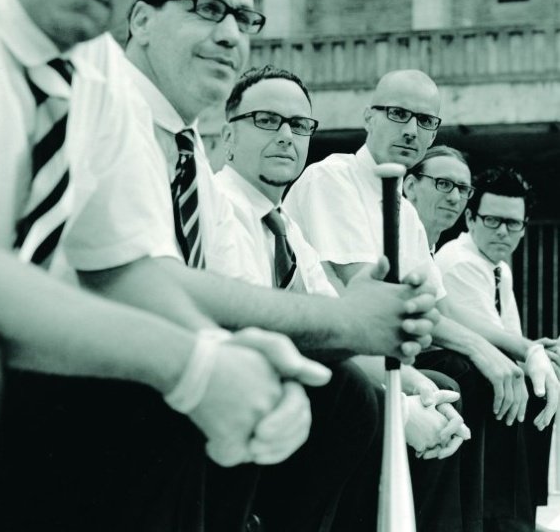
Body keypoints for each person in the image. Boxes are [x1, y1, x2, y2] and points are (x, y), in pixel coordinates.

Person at [0, 0, 336, 530]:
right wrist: (190, 365)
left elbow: (121, 268)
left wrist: (219, 352)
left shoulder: (99, 74)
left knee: (163, 397)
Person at [122, 0, 438, 530]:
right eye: (207, 8)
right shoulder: (132, 127)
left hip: (196, 356)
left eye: (244, 19)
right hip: (126, 365)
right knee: (342, 392)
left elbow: (320, 308)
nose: (229, 34)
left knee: (367, 390)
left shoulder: (218, 180)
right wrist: (353, 327)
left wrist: (407, 384)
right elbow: (187, 295)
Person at [284, 69, 559, 532]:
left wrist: (520, 351)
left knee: (515, 382)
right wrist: (481, 351)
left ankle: (499, 524)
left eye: (426, 121)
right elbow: (370, 296)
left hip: (386, 352)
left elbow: (441, 309)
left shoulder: (405, 211)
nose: (412, 130)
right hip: (342, 351)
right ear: (369, 117)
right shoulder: (331, 178)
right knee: (460, 376)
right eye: (398, 114)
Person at [215, 64, 470, 532]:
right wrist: (398, 408)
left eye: (299, 125)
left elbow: (339, 324)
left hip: (285, 380)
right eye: (267, 121)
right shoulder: (217, 207)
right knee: (352, 395)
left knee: (434, 387)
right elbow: (266, 326)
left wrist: (414, 389)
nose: (286, 136)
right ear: (227, 135)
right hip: (230, 385)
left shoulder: (285, 229)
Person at [435, 166, 557, 531]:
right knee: (536, 383)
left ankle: (525, 514)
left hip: (486, 377)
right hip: (464, 378)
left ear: (523, 227)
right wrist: (534, 353)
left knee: (546, 373)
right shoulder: (460, 263)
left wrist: (538, 349)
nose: (503, 231)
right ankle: (508, 520)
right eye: (492, 220)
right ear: (470, 219)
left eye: (513, 223)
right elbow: (492, 347)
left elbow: (504, 336)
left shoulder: (496, 266)